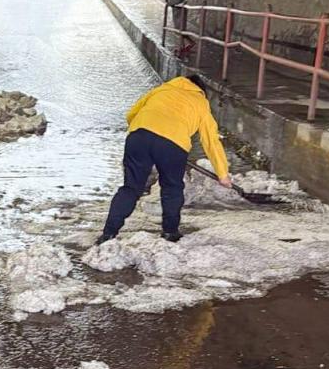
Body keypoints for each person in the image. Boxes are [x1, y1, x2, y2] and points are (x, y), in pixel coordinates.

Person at [96, 75, 231, 245]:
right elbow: (211, 140)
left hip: (138, 136)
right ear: (200, 90)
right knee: (171, 188)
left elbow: (131, 114)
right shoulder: (200, 102)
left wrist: (143, 131)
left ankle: (108, 235)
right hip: (173, 144)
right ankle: (170, 232)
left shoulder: (161, 90)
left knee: (130, 188)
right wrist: (222, 173)